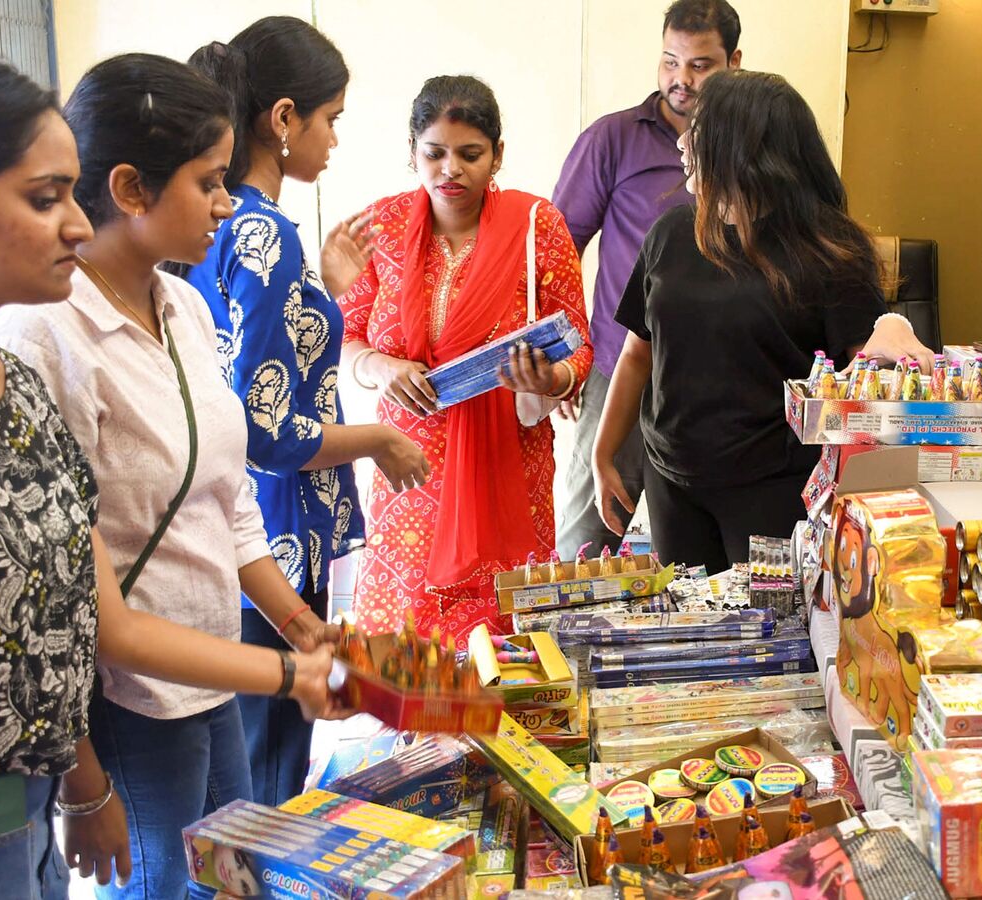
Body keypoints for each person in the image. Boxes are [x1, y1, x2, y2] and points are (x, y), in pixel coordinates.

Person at [0, 50, 342, 900]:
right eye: (46, 198)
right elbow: (100, 633)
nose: (77, 222)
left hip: (19, 805)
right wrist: (95, 778)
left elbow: (68, 620)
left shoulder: (14, 389)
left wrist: (292, 642)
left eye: (74, 191)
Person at [0, 54, 354, 899]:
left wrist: (299, 625)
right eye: (208, 181)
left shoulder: (181, 305)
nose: (227, 204)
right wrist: (85, 784)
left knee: (233, 883)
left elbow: (223, 506)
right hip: (129, 703)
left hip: (209, 672)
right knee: (161, 886)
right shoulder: (44, 336)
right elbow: (62, 599)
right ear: (129, 188)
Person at [184, 17, 429, 812]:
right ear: (283, 118)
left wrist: (322, 284)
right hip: (277, 528)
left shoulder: (224, 222)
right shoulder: (264, 232)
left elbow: (248, 365)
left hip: (240, 525)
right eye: (330, 121)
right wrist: (378, 438)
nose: (332, 141)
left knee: (251, 751)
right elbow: (266, 428)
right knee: (268, 764)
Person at [592, 70, 929, 573]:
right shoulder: (671, 232)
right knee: (689, 631)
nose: (683, 143)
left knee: (764, 641)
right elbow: (638, 351)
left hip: (770, 489)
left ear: (745, 147)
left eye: (699, 132)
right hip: (671, 482)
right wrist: (603, 455)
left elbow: (862, 365)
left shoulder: (827, 251)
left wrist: (889, 327)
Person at [339, 76, 592, 643]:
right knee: (409, 640)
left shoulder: (536, 225)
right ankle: (419, 735)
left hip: (507, 459)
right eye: (434, 153)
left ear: (498, 155)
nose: (450, 169)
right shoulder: (380, 226)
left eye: (470, 154)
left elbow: (579, 339)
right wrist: (383, 368)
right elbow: (344, 335)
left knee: (501, 636)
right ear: (413, 154)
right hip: (408, 464)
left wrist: (550, 377)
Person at [552, 0, 741, 559]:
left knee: (702, 544)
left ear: (734, 60)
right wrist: (570, 355)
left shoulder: (747, 146)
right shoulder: (613, 139)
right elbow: (556, 250)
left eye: (700, 65)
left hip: (718, 379)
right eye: (669, 61)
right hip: (619, 368)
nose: (680, 80)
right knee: (589, 535)